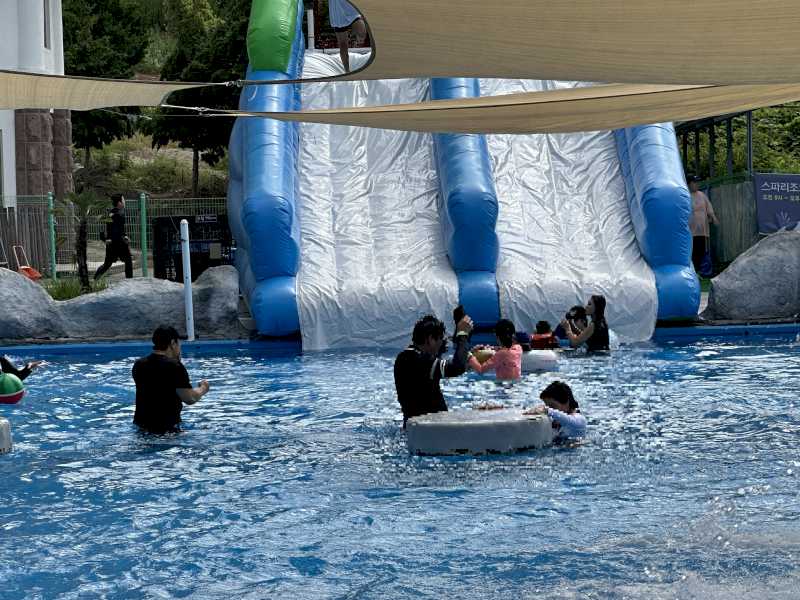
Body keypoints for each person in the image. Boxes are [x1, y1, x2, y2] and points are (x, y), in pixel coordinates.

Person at [394, 312, 474, 427]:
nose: (442, 343)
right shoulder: (414, 359)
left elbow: (454, 364)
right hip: (428, 430)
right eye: (440, 339)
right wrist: (463, 334)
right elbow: (456, 367)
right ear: (431, 339)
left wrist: (469, 356)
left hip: (420, 428)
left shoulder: (407, 357)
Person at [132, 325, 209, 434]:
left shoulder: (139, 364)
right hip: (168, 429)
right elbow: (189, 398)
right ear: (173, 343)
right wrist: (203, 388)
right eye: (179, 343)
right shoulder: (174, 366)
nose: (180, 347)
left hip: (141, 428)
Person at [94, 193, 133, 280]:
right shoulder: (117, 214)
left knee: (107, 264)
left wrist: (105, 239)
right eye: (123, 200)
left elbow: (113, 229)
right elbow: (114, 230)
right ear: (119, 203)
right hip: (116, 242)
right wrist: (123, 237)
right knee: (127, 261)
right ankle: (129, 281)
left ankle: (95, 279)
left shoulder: (113, 213)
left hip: (113, 243)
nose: (124, 202)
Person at [687, 175, 720, 273]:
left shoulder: (702, 195)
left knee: (702, 251)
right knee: (692, 251)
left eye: (697, 182)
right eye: (694, 182)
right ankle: (693, 271)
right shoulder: (686, 196)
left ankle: (702, 271)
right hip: (690, 231)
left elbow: (709, 207)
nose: (697, 184)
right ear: (689, 184)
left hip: (702, 230)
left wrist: (713, 217)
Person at [329, 0, 366, 73]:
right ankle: (347, 71)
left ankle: (354, 36)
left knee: (362, 35)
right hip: (338, 12)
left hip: (350, 7)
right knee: (343, 45)